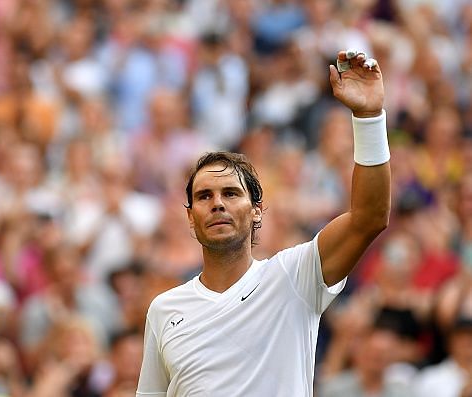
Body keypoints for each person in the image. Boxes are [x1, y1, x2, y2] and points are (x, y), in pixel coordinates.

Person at [136, 49, 391, 396]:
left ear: (256, 210)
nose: (218, 204)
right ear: (190, 218)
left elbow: (369, 218)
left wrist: (369, 117)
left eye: (231, 193)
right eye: (204, 196)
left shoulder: (293, 276)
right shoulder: (164, 309)